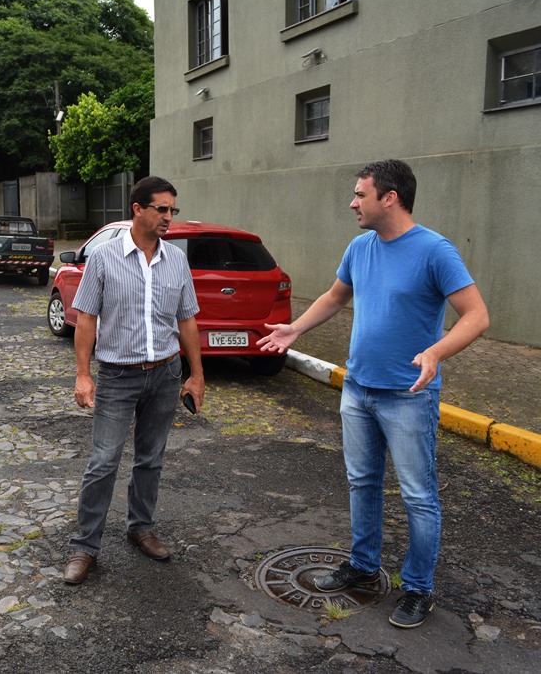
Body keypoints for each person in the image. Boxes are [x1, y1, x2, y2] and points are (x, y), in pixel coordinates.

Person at [257, 159, 489, 628]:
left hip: (407, 396)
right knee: (362, 483)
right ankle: (362, 566)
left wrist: (435, 352)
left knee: (418, 496)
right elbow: (335, 296)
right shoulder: (361, 247)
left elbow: (476, 316)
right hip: (359, 390)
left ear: (390, 198)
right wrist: (295, 329)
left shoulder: (434, 251)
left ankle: (418, 588)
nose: (352, 202)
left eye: (360, 194)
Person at [63, 175, 206, 585]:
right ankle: (85, 546)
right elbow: (86, 319)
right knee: (103, 462)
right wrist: (83, 375)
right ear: (137, 210)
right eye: (161, 209)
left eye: (172, 210)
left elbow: (187, 320)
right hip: (117, 376)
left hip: (164, 373)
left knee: (151, 458)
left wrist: (196, 375)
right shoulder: (105, 258)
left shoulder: (176, 260)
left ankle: (140, 527)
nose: (168, 217)